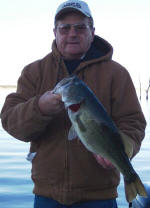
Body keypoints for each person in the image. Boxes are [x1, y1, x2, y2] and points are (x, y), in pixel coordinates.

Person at [0, 0, 146, 208]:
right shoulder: (34, 72)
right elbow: (11, 122)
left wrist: (125, 149)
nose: (72, 33)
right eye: (65, 28)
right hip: (47, 195)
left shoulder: (117, 74)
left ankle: (132, 180)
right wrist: (39, 108)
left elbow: (133, 122)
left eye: (80, 27)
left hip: (99, 197)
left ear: (92, 31)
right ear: (55, 32)